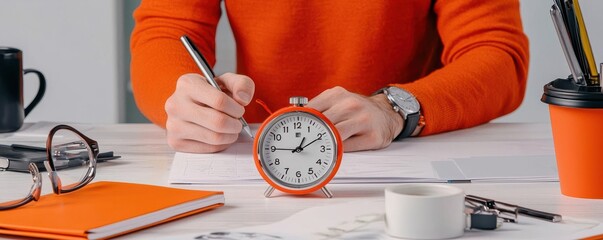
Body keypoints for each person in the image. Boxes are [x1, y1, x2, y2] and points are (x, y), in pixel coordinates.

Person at [130, 0, 529, 153]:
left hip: (404, 156)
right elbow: (165, 29)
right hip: (257, 158)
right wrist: (182, 99)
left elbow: (496, 52)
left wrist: (393, 109)